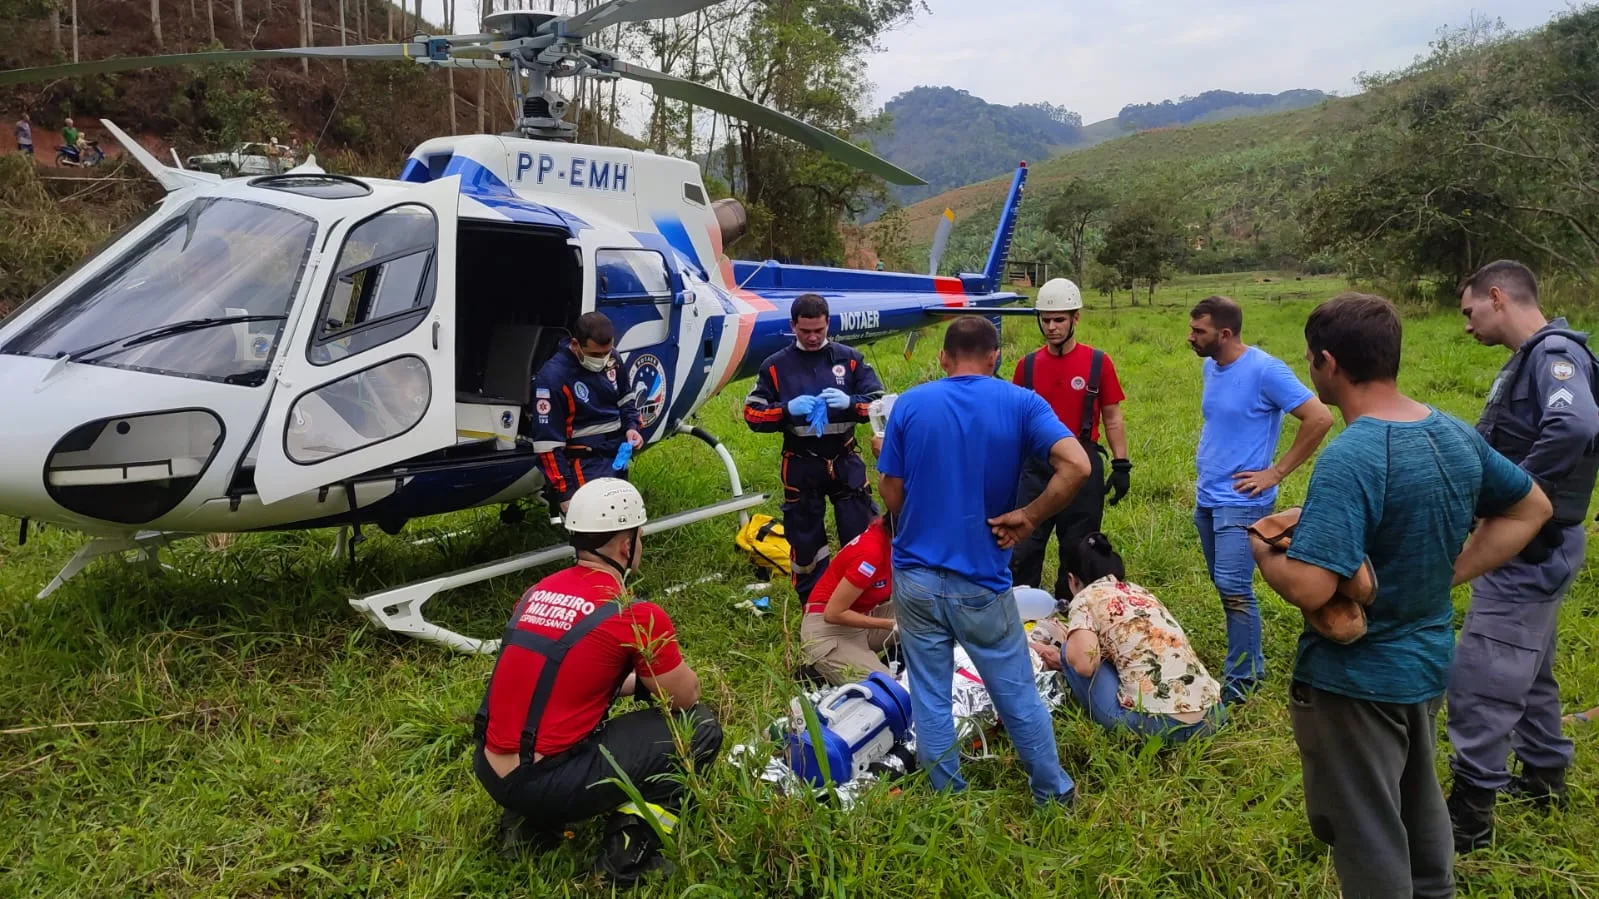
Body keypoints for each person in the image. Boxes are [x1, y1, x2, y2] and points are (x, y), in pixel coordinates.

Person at [1252, 292, 1550, 899]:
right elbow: (1532, 507)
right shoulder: (1452, 434)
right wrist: (1448, 574)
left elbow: (1311, 584)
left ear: (1329, 363)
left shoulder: (1353, 457)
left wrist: (1261, 551)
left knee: (1367, 834)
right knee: (1416, 807)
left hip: (1357, 681)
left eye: (1311, 360)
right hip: (1426, 660)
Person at [877, 315, 1092, 806]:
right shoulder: (1021, 403)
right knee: (1016, 693)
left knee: (930, 694)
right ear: (995, 357)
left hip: (914, 578)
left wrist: (920, 521)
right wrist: (1031, 516)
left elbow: (891, 487)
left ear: (943, 359)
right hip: (980, 579)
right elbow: (1078, 465)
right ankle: (1053, 794)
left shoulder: (910, 404)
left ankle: (947, 798)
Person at [471, 479, 723, 885]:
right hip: (547, 780)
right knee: (700, 728)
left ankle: (527, 826)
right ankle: (627, 858)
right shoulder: (634, 613)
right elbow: (683, 696)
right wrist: (658, 679)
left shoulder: (537, 592)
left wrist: (634, 683)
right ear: (627, 545)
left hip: (488, 766)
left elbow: (563, 673)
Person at [1446, 259, 1599, 851]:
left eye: (1469, 312)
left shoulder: (1552, 354)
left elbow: (1576, 423)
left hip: (1530, 546)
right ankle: (1543, 776)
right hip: (1548, 544)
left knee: (1484, 675)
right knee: (1531, 669)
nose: (1466, 326)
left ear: (1496, 296)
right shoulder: (1537, 358)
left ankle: (1470, 815)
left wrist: (1518, 498)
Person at [1187, 295, 1333, 704]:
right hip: (1209, 494)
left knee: (1235, 587)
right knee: (1223, 582)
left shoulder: (1266, 370)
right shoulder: (1210, 368)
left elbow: (1320, 417)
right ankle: (1243, 656)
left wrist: (1277, 471)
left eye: (1199, 331)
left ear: (1225, 333)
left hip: (1242, 500)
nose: (1191, 338)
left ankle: (1244, 678)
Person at [743, 293, 886, 601]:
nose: (812, 337)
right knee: (805, 544)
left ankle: (862, 603)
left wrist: (851, 404)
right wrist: (785, 409)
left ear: (827, 324)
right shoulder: (776, 366)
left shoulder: (849, 359)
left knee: (860, 536)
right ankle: (814, 606)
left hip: (845, 459)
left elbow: (879, 404)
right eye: (805, 331)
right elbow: (752, 414)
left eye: (818, 330)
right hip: (801, 463)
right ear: (793, 325)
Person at [1036, 532, 1224, 743]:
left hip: (1160, 727)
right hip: (1213, 716)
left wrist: (1063, 651)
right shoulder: (1139, 591)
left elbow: (1085, 666)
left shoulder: (1084, 598)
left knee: (1071, 650)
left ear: (1072, 580)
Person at [1010, 278, 1132, 598]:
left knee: (1078, 548)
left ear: (1075, 318)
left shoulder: (1098, 362)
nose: (1051, 327)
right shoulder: (1028, 366)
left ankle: (1073, 613)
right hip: (1037, 466)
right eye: (1046, 320)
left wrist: (1121, 464)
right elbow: (1015, 422)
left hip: (1083, 464)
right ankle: (1023, 615)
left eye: (1059, 319)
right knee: (1024, 545)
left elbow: (1112, 416)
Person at [532, 312, 644, 514]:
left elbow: (626, 399)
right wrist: (565, 492)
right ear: (575, 345)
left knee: (624, 518)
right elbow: (547, 444)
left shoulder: (613, 359)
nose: (602, 360)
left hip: (616, 457)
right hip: (584, 464)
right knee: (599, 533)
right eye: (595, 355)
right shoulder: (552, 379)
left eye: (607, 353)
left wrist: (632, 427)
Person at [800, 514, 896, 685]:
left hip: (859, 621)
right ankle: (820, 673)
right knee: (888, 690)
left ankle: (899, 661)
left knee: (924, 609)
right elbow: (833, 614)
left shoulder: (887, 536)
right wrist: (891, 625)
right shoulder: (871, 554)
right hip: (828, 629)